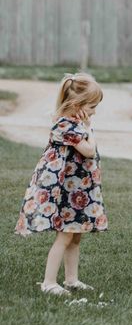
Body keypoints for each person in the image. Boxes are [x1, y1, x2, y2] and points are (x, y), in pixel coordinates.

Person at [15, 73, 107, 296]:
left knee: (76, 235)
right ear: (77, 104)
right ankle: (48, 282)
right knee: (65, 234)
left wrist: (86, 126)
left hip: (77, 187)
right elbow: (88, 150)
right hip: (64, 190)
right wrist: (88, 129)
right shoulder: (66, 124)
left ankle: (71, 279)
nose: (94, 111)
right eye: (92, 106)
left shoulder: (76, 123)